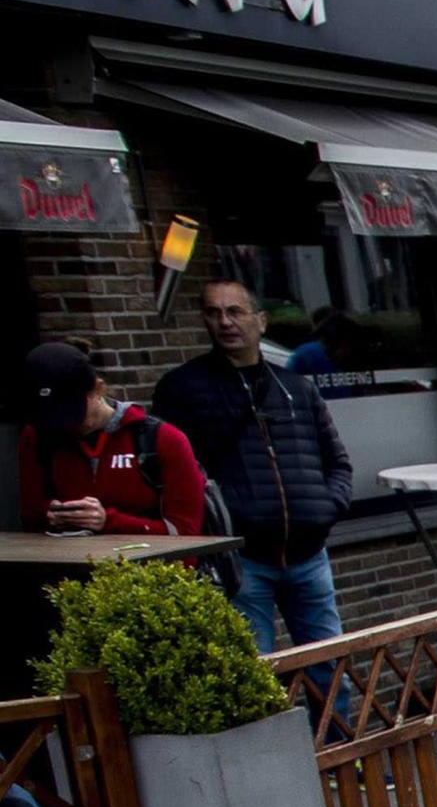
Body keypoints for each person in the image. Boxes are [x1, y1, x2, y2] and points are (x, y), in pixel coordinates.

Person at [156, 277, 353, 650]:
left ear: (260, 320)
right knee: (253, 669)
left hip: (308, 553)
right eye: (214, 313)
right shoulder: (182, 389)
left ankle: (331, 713)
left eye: (235, 311)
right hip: (241, 560)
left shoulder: (296, 387)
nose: (225, 322)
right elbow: (171, 475)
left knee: (329, 665)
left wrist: (327, 508)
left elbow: (337, 461)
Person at [19, 343, 208, 542]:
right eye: (48, 415)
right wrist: (53, 516)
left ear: (97, 389)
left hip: (145, 569)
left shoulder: (163, 440)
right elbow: (30, 520)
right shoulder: (37, 436)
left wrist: (107, 521)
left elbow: (186, 533)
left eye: (71, 413)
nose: (63, 425)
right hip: (67, 566)